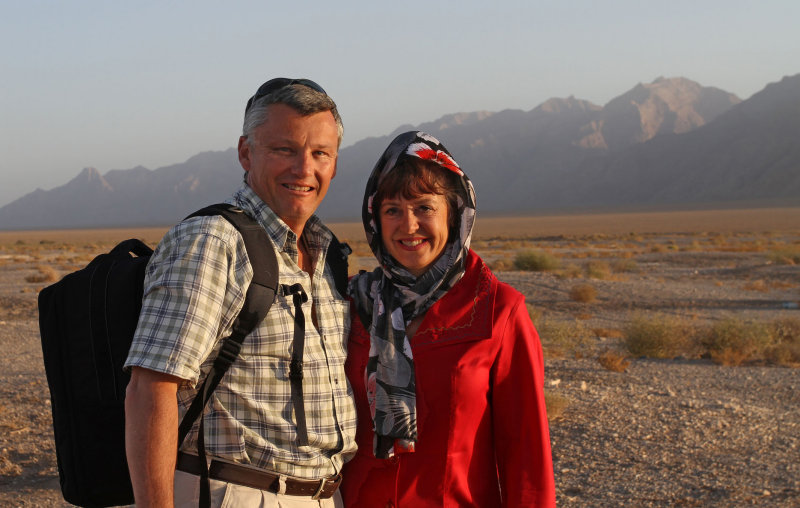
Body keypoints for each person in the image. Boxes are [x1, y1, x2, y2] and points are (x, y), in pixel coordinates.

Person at [124, 78, 356, 507]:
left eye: (320, 153)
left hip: (322, 496)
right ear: (246, 153)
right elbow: (151, 387)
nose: (304, 169)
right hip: (239, 492)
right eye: (284, 149)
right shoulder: (213, 242)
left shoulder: (326, 255)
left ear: (335, 163)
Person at [340, 131, 556, 507]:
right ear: (374, 219)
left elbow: (527, 455)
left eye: (424, 207)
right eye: (392, 210)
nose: (408, 226)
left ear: (455, 212)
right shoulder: (351, 303)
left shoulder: (498, 311)